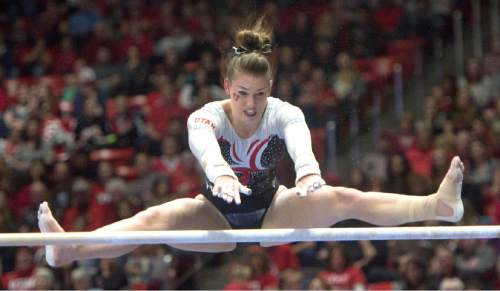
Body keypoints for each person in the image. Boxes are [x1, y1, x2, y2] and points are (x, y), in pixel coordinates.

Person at [38, 17, 465, 267]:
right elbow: (203, 144)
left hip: (272, 211)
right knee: (153, 220)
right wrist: (220, 172)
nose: (250, 104)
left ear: (271, 88)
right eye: (241, 93)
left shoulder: (283, 111)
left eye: (259, 94)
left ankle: (437, 207)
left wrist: (309, 171)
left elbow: (299, 140)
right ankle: (68, 250)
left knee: (343, 197)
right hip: (213, 215)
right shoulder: (205, 115)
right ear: (228, 86)